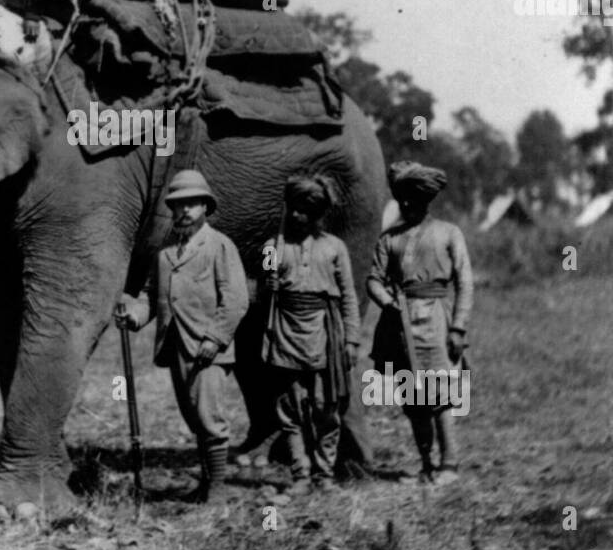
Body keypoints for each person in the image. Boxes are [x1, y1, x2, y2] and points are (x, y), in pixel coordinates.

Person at [116, 169, 249, 503]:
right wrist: (135, 315)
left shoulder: (220, 246)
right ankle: (206, 482)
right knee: (193, 417)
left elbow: (235, 299)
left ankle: (217, 488)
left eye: (193, 203)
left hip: (208, 348)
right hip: (176, 345)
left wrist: (215, 339)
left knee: (209, 417)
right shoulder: (165, 252)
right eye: (179, 204)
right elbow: (150, 295)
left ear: (206, 206)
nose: (185, 210)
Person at [366, 161, 474, 485]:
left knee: (439, 394)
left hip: (436, 320)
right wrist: (387, 302)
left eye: (415, 199)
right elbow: (373, 279)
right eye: (403, 200)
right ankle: (426, 464)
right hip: (397, 323)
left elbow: (465, 282)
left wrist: (458, 327)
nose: (408, 205)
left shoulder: (449, 233)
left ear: (427, 200)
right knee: (412, 397)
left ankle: (449, 465)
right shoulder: (390, 238)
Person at [260, 175, 361, 494]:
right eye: (293, 209)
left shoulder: (334, 248)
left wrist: (352, 339)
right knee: (291, 407)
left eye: (305, 211)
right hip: (287, 333)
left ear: (317, 214)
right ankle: (301, 473)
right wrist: (268, 285)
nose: (296, 216)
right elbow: (263, 292)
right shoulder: (272, 247)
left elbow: (348, 296)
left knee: (325, 407)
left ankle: (324, 473)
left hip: (325, 333)